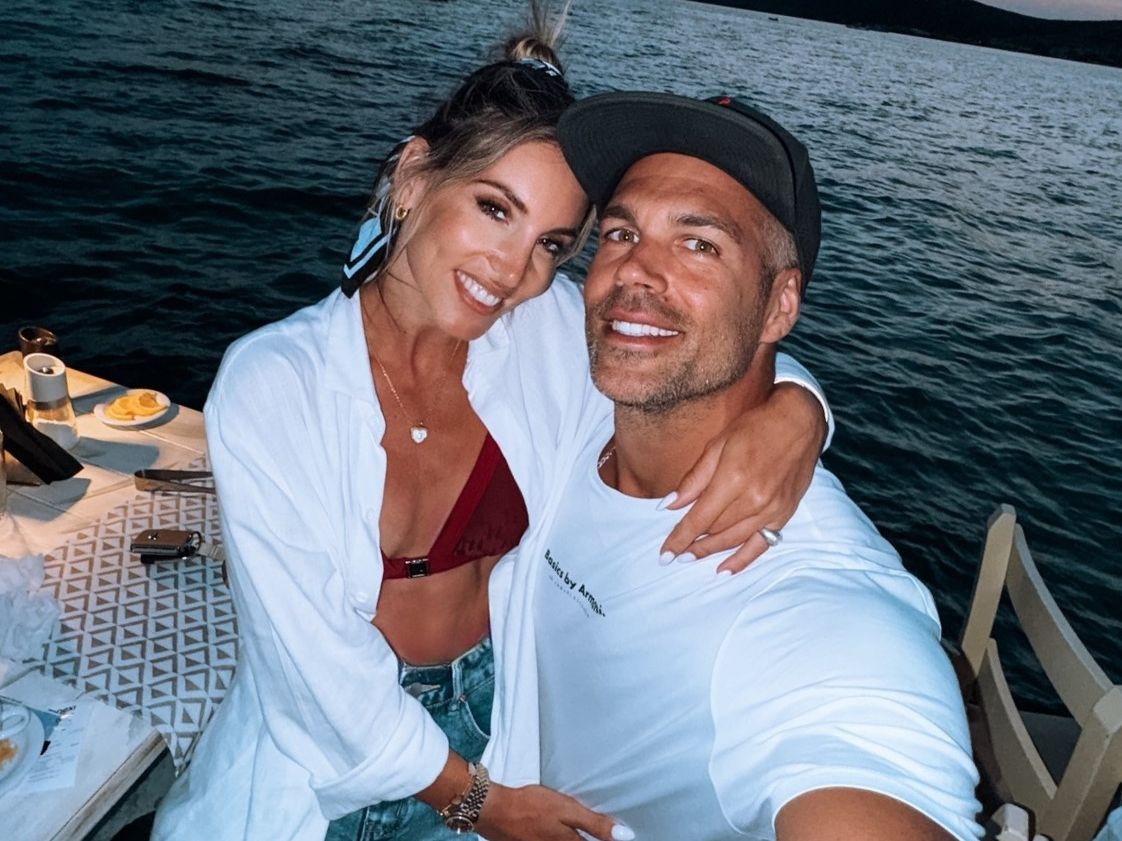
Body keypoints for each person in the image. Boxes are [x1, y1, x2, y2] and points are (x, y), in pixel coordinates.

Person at [150, 11, 833, 841]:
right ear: (413, 176)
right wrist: (480, 803)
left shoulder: (542, 336)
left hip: (499, 710)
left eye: (552, 244)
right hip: (340, 752)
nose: (514, 272)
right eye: (494, 209)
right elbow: (315, 676)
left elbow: (685, 362)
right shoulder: (273, 385)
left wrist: (797, 406)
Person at [524, 91, 983, 841]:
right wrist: (802, 400)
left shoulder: (811, 608)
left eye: (699, 244)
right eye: (621, 232)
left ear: (778, 306)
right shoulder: (579, 390)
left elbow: (860, 750)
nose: (636, 271)